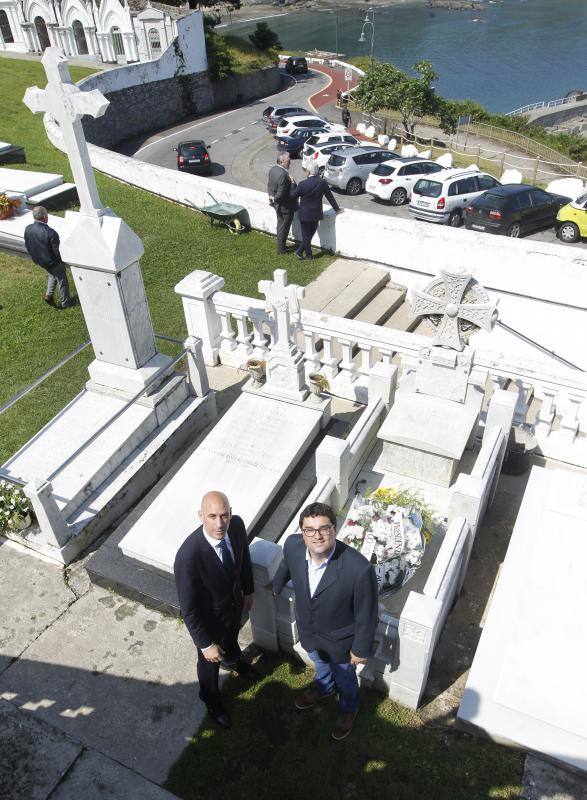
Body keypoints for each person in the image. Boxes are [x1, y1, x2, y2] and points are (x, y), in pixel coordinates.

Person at [271, 501, 378, 741]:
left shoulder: (358, 569)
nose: (317, 535)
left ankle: (349, 709)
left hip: (340, 642)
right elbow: (287, 563)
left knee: (346, 679)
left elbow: (367, 613)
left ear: (335, 529)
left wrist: (360, 648)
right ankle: (324, 687)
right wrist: (277, 583)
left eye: (324, 528)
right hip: (309, 632)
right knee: (319, 664)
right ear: (302, 532)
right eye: (309, 529)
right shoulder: (293, 545)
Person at [174, 491, 259, 729]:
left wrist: (248, 591)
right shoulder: (188, 557)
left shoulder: (237, 525)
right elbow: (189, 609)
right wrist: (205, 644)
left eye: (224, 515)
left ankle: (235, 661)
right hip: (209, 624)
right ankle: (211, 700)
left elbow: (243, 560)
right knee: (209, 666)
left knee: (232, 642)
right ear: (201, 516)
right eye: (212, 516)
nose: (219, 523)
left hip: (233, 609)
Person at [290, 163, 342, 261]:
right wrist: (337, 209)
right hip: (316, 214)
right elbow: (329, 196)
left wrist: (293, 184)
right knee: (309, 235)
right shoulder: (323, 183)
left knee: (306, 236)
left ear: (308, 172)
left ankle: (304, 253)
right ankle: (304, 253)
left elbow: (292, 195)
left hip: (304, 214)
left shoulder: (302, 184)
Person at [23, 206, 72, 308]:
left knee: (52, 274)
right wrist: (62, 262)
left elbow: (28, 245)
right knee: (62, 280)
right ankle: (66, 303)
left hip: (40, 260)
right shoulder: (50, 232)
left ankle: (49, 295)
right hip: (52, 261)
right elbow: (57, 251)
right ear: (45, 216)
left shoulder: (28, 229)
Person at [267, 152, 298, 255]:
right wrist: (293, 183)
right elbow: (281, 193)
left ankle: (282, 247)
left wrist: (271, 198)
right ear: (281, 162)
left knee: (281, 226)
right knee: (283, 228)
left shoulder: (273, 170)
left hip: (278, 206)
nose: (290, 163)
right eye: (288, 161)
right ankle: (281, 249)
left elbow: (270, 185)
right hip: (285, 207)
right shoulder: (283, 175)